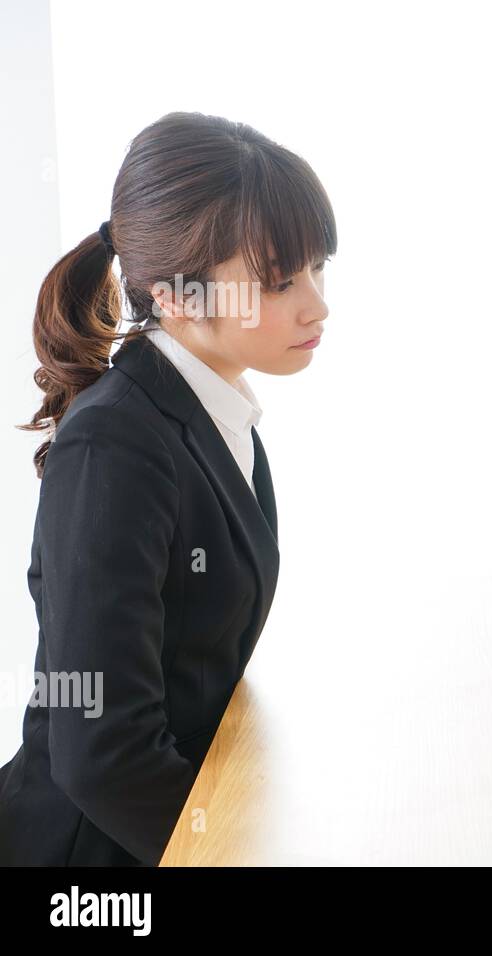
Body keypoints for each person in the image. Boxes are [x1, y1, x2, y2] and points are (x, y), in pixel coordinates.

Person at [0, 111, 337, 864]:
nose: (316, 304)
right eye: (280, 280)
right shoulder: (113, 446)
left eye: (320, 268)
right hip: (91, 867)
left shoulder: (213, 406)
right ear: (177, 295)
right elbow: (98, 752)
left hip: (177, 826)